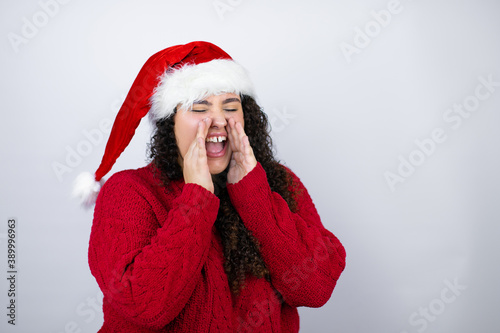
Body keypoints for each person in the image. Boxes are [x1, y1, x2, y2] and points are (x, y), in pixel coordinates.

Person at [73, 41, 346, 332]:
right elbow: (143, 307)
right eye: (198, 108)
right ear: (170, 124)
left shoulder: (279, 182)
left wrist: (254, 195)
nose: (218, 120)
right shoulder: (127, 191)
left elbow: (315, 288)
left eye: (231, 107)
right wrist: (196, 198)